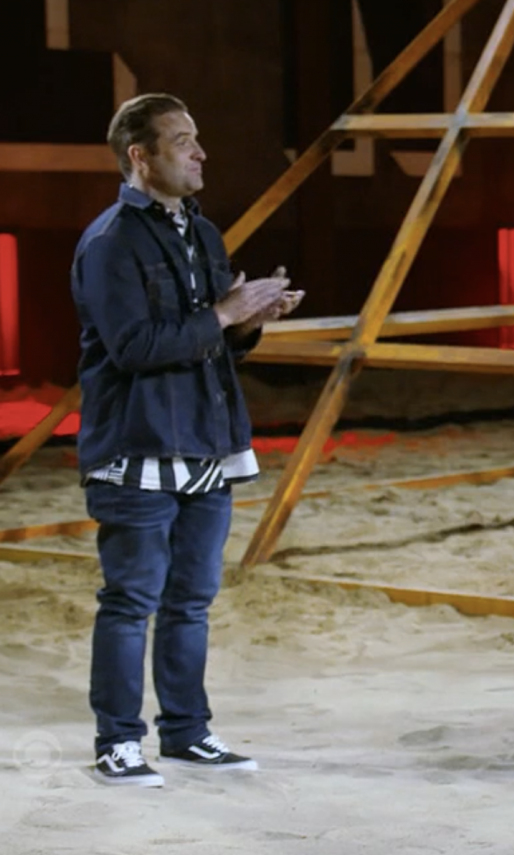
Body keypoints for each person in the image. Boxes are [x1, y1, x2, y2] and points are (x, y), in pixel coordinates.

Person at [72, 93, 302, 787]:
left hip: (206, 442)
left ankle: (186, 732)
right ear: (140, 156)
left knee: (191, 601)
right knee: (130, 601)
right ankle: (118, 742)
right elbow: (134, 347)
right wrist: (224, 313)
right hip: (136, 446)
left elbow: (212, 344)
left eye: (197, 138)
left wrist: (248, 321)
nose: (200, 152)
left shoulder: (203, 234)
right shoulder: (110, 241)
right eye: (181, 141)